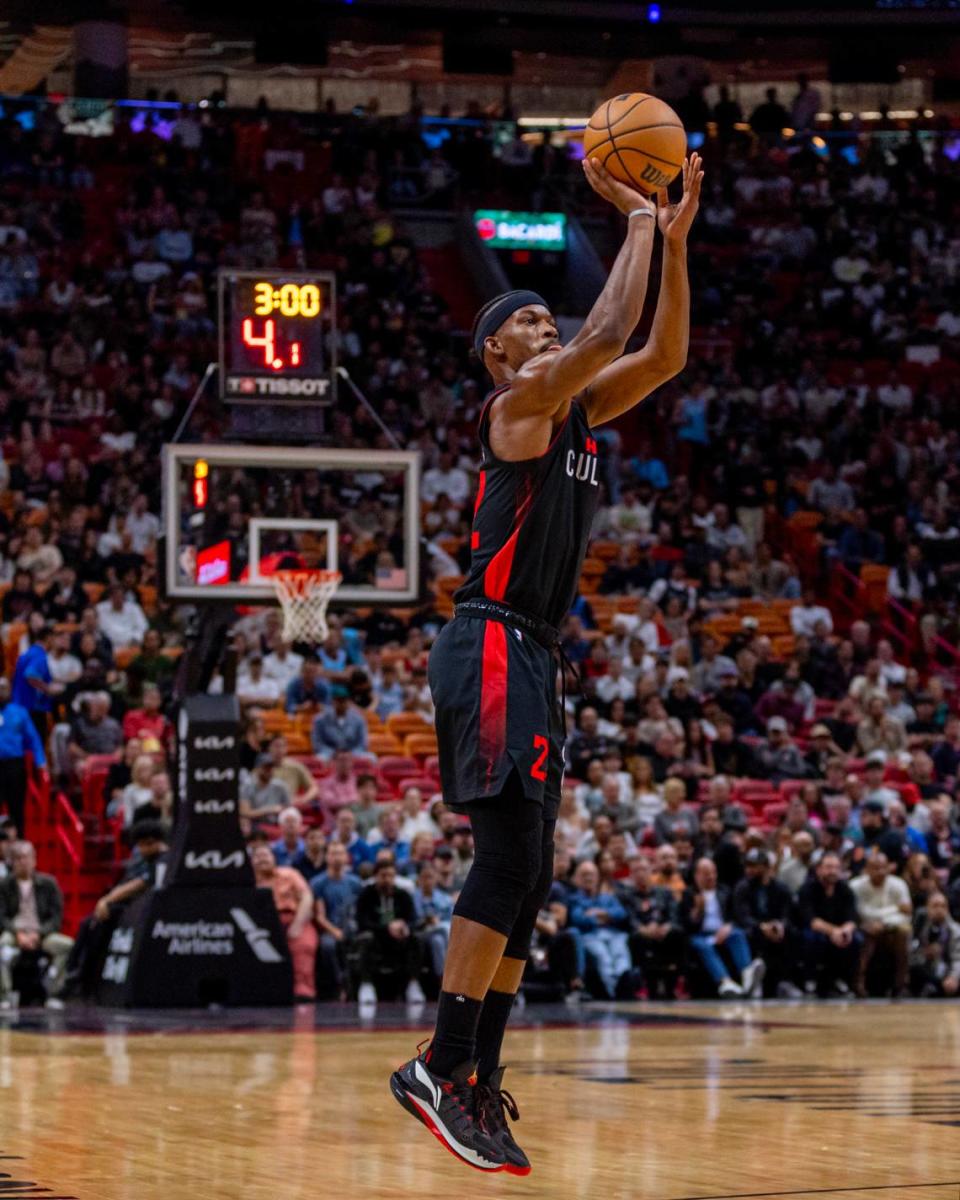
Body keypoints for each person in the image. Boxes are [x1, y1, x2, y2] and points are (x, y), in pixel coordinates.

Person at [392, 150, 703, 1177]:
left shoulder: (573, 414)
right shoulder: (518, 410)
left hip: (532, 652)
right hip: (486, 636)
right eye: (525, 321)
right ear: (497, 356)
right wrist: (638, 220)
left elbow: (658, 355)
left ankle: (474, 1075)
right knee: (509, 860)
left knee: (532, 880)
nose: (545, 327)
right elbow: (610, 329)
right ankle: (441, 1062)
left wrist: (680, 240)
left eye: (542, 316)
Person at [0, 840, 72, 1007]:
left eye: (26, 857)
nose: (22, 862)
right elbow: (1, 917)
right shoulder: (4, 885)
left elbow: (56, 917)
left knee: (67, 946)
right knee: (1, 945)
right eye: (18, 858)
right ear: (12, 862)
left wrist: (38, 934)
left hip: (41, 933)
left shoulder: (49, 884)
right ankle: (4, 995)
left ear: (34, 860)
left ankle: (54, 993)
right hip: (14, 932)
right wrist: (18, 935)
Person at [681, 857, 764, 998]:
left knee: (737, 934)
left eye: (713, 872)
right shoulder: (689, 894)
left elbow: (736, 916)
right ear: (697, 875)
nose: (711, 876)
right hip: (701, 934)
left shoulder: (724, 891)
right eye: (706, 873)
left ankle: (748, 976)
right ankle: (725, 982)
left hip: (722, 930)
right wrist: (697, 911)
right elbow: (687, 926)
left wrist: (728, 926)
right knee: (701, 945)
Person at [252, 844, 317, 1003]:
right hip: (261, 925)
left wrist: (298, 924)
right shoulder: (249, 881)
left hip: (293, 919)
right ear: (251, 861)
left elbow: (307, 898)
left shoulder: (290, 874)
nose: (262, 859)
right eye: (257, 856)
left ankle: (303, 990)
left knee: (303, 944)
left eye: (265, 855)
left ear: (274, 858)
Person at [732, 848, 799, 997]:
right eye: (748, 866)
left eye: (755, 866)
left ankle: (785, 981)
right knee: (748, 934)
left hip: (775, 928)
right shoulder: (743, 887)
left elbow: (787, 914)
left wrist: (780, 925)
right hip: (754, 927)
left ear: (767, 867)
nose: (750, 870)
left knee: (792, 933)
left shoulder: (780, 888)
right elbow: (742, 916)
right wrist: (761, 927)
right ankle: (755, 982)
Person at [356, 857, 423, 1005]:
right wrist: (386, 928)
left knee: (417, 938)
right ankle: (366, 985)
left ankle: (413, 983)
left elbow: (413, 920)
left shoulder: (403, 895)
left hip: (398, 938)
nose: (387, 880)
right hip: (376, 937)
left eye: (391, 876)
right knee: (365, 939)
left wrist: (404, 927)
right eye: (383, 876)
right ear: (375, 876)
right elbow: (362, 921)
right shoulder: (367, 894)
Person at [796, 852, 861, 997]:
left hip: (838, 930)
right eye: (828, 867)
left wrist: (845, 931)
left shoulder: (845, 889)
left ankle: (841, 979)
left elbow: (852, 917)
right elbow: (811, 920)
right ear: (819, 869)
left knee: (855, 940)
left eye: (837, 868)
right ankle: (810, 981)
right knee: (812, 938)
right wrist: (834, 931)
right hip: (816, 929)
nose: (833, 871)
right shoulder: (808, 889)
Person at [850, 849, 911, 997]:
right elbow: (858, 912)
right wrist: (894, 909)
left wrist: (883, 923)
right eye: (875, 868)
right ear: (866, 870)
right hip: (863, 927)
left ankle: (900, 984)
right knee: (866, 937)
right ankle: (858, 983)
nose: (880, 871)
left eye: (884, 867)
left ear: (889, 867)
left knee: (903, 931)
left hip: (890, 927)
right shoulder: (855, 886)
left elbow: (907, 913)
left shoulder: (899, 884)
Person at [312, 840, 362, 999]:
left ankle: (361, 985)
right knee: (328, 947)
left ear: (346, 857)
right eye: (333, 853)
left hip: (352, 927)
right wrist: (334, 931)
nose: (337, 857)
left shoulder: (355, 883)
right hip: (329, 929)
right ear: (327, 857)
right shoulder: (318, 883)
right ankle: (339, 983)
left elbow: (359, 911)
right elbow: (319, 916)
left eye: (340, 853)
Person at [0, 676, 47, 837]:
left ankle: (19, 839)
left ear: (9, 691)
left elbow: (33, 738)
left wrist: (40, 761)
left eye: (4, 688)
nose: (1, 692)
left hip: (15, 766)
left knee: (16, 807)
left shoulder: (19, 712)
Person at [910, 891, 960, 997]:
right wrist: (924, 953)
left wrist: (953, 977)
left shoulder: (955, 930)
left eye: (943, 906)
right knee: (915, 968)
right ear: (927, 908)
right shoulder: (918, 926)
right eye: (935, 906)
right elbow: (910, 954)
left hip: (948, 971)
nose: (939, 910)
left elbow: (958, 959)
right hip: (927, 972)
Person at [312, 687, 368, 760]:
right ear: (333, 701)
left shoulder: (358, 719)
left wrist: (351, 754)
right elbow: (318, 744)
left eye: (344, 700)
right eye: (338, 700)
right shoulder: (320, 719)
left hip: (352, 753)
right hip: (329, 754)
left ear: (348, 701)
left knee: (371, 758)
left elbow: (362, 744)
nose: (341, 704)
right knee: (319, 759)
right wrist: (333, 753)